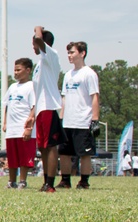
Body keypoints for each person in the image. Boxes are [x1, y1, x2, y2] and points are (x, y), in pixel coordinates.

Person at [58, 41, 101, 189]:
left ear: (82, 53)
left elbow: (95, 96)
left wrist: (95, 119)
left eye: (72, 52)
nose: (69, 56)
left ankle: (84, 181)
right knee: (64, 152)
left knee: (84, 153)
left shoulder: (89, 73)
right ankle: (65, 180)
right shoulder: (68, 75)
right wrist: (61, 118)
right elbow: (64, 97)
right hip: (68, 121)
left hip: (83, 120)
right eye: (68, 53)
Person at [30, 25, 64, 193]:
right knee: (42, 147)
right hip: (40, 109)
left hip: (49, 107)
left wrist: (38, 29)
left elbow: (38, 39)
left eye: (34, 43)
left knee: (50, 146)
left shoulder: (51, 55)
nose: (33, 46)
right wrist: (32, 113)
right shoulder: (39, 64)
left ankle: (50, 183)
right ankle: (45, 182)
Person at [3, 58, 36, 189]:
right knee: (12, 158)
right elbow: (6, 105)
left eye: (18, 70)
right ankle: (11, 181)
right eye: (14, 70)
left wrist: (29, 127)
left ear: (27, 70)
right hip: (12, 129)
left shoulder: (32, 86)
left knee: (24, 157)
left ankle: (22, 181)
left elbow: (34, 106)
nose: (15, 73)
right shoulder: (12, 87)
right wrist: (5, 122)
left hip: (23, 128)